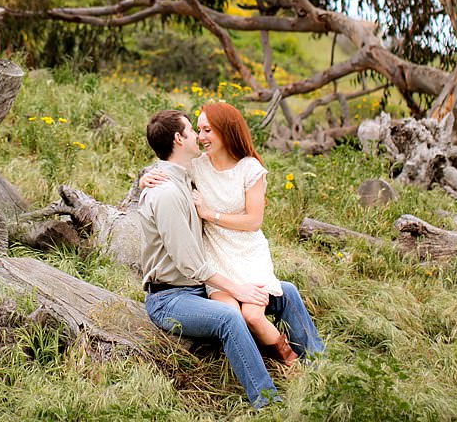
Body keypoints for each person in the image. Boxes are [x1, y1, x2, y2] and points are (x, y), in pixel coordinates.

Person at [138, 108, 324, 409]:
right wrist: (237, 289)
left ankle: (319, 364)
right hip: (170, 296)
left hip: (198, 286)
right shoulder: (167, 193)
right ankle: (267, 402)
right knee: (229, 318)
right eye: (193, 130)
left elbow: (165, 164)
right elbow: (190, 264)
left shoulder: (185, 173)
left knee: (285, 291)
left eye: (205, 130)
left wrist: (144, 176)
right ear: (178, 138)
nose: (199, 137)